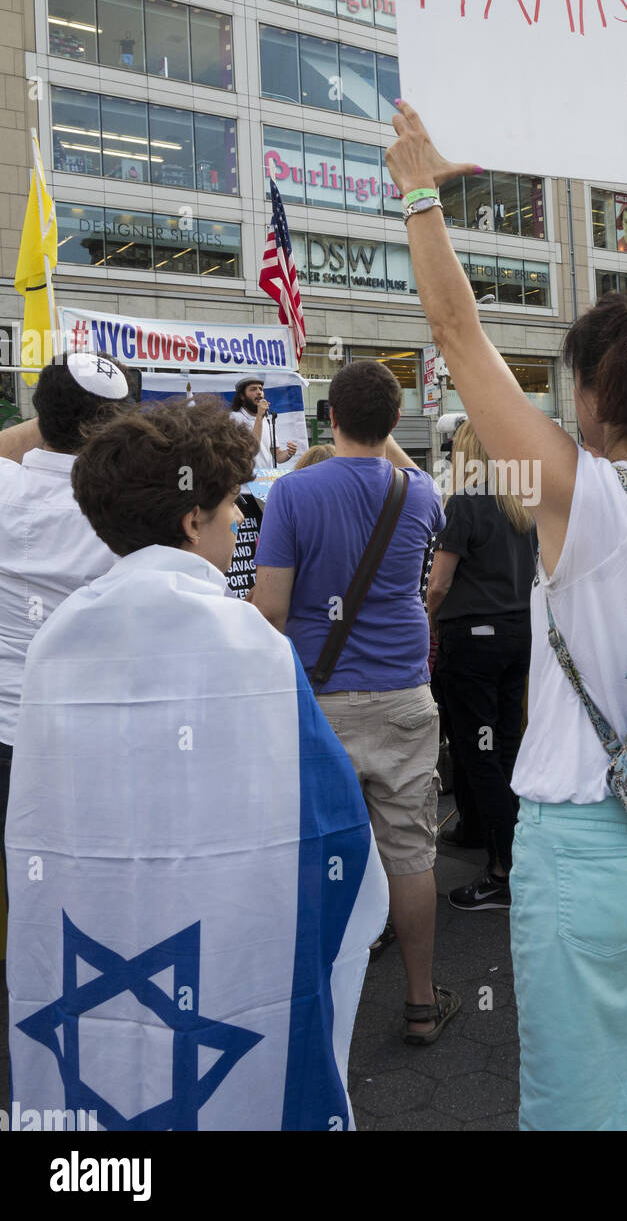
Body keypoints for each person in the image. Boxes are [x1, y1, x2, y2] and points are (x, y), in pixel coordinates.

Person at [386, 101, 627, 1131]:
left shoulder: (577, 494)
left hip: (589, 845)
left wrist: (421, 190)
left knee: (584, 1104)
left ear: (591, 398)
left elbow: (457, 332)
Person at [6, 397, 386, 1129]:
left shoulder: (57, 639)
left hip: (86, 938)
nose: (243, 522)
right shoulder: (245, 640)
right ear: (191, 522)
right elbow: (329, 821)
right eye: (231, 507)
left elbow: (39, 824)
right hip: (231, 941)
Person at [250, 359, 459, 1045]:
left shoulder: (291, 494)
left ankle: (311, 999)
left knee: (317, 850)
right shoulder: (422, 493)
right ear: (396, 422)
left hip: (319, 697)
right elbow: (398, 468)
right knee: (410, 851)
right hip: (404, 692)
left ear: (327, 419)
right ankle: (422, 1002)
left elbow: (271, 609)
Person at [0, 353, 132, 902]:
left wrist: (52, 412)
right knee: (68, 902)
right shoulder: (128, 509)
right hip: (87, 738)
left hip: (5, 728)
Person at [426, 418, 536, 910]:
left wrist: (426, 618)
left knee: (478, 756)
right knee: (507, 748)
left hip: (471, 641)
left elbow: (439, 584)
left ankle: (502, 871)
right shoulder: (521, 505)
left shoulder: (465, 503)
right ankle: (516, 856)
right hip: (517, 635)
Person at [229, 375, 297, 469]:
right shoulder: (234, 418)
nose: (259, 393)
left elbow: (277, 456)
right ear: (242, 396)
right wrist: (260, 416)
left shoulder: (266, 420)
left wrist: (289, 453)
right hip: (244, 479)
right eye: (253, 389)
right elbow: (251, 450)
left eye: (260, 389)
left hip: (265, 479)